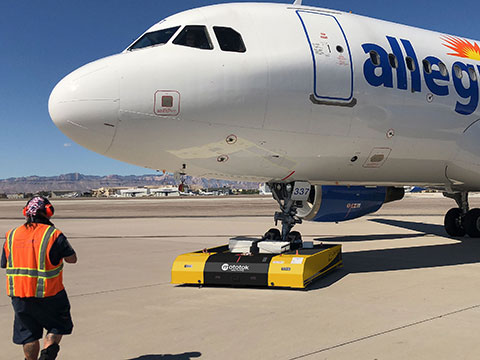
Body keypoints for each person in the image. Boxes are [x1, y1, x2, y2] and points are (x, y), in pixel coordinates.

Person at [1, 196, 77, 360]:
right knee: (56, 326)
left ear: (25, 213)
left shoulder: (11, 235)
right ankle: (47, 355)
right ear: (48, 212)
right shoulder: (53, 234)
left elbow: (5, 262)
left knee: (28, 335)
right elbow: (72, 259)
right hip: (50, 294)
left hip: (19, 296)